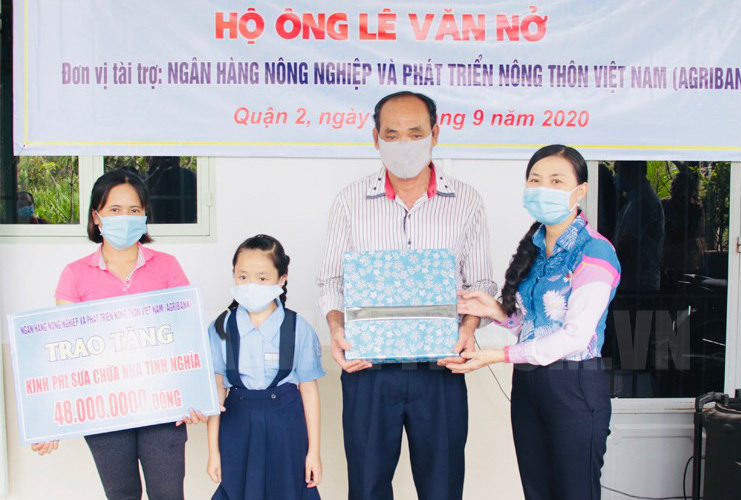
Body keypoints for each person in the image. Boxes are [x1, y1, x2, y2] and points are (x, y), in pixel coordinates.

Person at [317, 90, 496, 500]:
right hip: (368, 366)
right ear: (375, 137)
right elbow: (331, 280)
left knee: (442, 485)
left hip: (441, 365)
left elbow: (483, 283)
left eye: (415, 134)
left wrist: (468, 328)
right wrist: (337, 328)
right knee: (367, 485)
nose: (404, 145)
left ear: (435, 134)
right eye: (392, 135)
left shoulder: (466, 201)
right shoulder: (350, 201)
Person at [451, 145, 621, 500]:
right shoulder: (537, 248)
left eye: (556, 181)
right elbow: (534, 325)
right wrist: (495, 311)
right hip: (529, 385)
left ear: (580, 190)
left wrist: (498, 356)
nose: (543, 188)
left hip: (573, 385)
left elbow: (574, 337)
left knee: (574, 493)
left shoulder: (595, 251)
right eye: (535, 180)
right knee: (537, 491)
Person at [36, 169, 197, 500]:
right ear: (97, 216)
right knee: (121, 494)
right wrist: (49, 420)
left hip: (162, 403)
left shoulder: (168, 267)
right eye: (114, 209)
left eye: (134, 210)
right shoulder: (75, 275)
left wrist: (194, 394)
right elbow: (66, 352)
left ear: (145, 214)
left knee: (168, 494)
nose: (125, 217)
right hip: (104, 407)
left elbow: (186, 334)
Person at [207, 234, 325, 500]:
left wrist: (313, 452)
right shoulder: (221, 327)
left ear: (281, 279)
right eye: (243, 277)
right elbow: (216, 393)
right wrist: (213, 451)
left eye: (262, 278)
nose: (251, 285)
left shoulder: (298, 328)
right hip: (236, 427)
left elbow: (309, 390)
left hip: (287, 428)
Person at [612, 161, 664, 292]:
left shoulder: (643, 201)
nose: (616, 177)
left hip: (640, 283)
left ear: (632, 171)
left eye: (618, 172)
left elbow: (628, 244)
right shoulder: (633, 198)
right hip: (634, 280)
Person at [661, 165, 705, 284]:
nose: (678, 191)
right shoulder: (664, 205)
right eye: (676, 186)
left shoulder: (695, 209)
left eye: (682, 188)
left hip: (689, 259)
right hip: (667, 258)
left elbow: (694, 233)